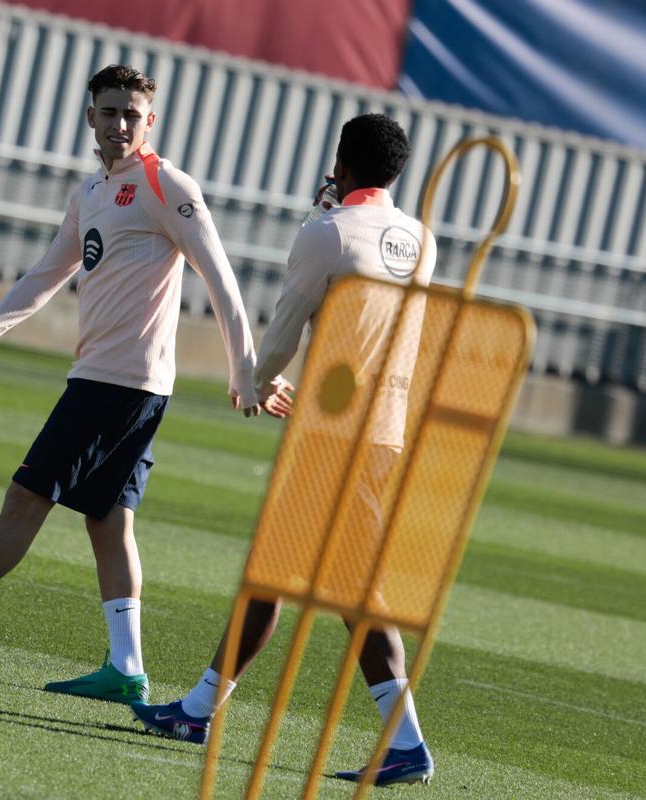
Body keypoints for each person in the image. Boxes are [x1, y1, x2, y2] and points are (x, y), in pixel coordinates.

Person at [0, 64, 261, 705]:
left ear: (150, 121)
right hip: (114, 379)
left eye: (132, 113)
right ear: (90, 116)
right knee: (108, 521)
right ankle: (126, 668)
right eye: (109, 111)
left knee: (25, 499)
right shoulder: (90, 193)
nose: (120, 123)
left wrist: (244, 368)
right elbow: (46, 274)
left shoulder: (165, 183)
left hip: (120, 383)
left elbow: (220, 276)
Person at [130, 113, 440, 786]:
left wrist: (254, 383)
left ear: (342, 163)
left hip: (332, 432)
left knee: (338, 589)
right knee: (313, 580)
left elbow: (285, 330)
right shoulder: (422, 239)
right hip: (385, 429)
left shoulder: (324, 233)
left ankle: (402, 742)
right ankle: (203, 708)